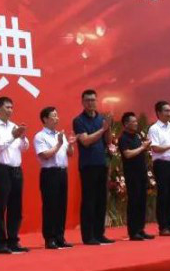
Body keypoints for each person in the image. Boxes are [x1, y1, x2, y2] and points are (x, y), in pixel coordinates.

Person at [0, 96, 30, 254]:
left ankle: (13, 241)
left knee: (16, 208)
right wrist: (13, 136)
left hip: (16, 169)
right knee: (0, 207)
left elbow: (24, 148)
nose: (10, 110)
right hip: (2, 170)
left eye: (12, 107)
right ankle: (0, 243)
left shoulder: (14, 126)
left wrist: (22, 137)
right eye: (7, 107)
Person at [73, 89, 114, 245]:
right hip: (88, 165)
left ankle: (99, 233)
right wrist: (103, 129)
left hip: (101, 163)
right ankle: (88, 236)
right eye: (87, 100)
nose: (91, 103)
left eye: (93, 100)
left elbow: (108, 141)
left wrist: (108, 127)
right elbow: (85, 141)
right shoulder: (79, 121)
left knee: (101, 200)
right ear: (83, 102)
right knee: (89, 200)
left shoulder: (101, 119)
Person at [33, 106, 74, 249]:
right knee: (50, 206)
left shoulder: (60, 135)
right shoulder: (40, 136)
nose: (57, 118)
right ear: (45, 119)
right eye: (54, 116)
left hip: (62, 172)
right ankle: (49, 238)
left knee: (62, 206)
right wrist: (59, 144)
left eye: (57, 115)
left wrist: (70, 144)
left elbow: (70, 153)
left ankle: (60, 237)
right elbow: (45, 155)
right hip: (49, 174)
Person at [148, 100, 170, 237]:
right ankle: (163, 227)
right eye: (166, 110)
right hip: (161, 164)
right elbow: (155, 148)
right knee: (163, 195)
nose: (169, 113)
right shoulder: (154, 129)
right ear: (158, 112)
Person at [118, 112, 154, 241]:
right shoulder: (123, 138)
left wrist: (144, 147)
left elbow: (140, 151)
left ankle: (141, 229)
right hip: (132, 174)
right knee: (134, 202)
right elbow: (127, 154)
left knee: (141, 201)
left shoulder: (137, 136)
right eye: (133, 121)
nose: (136, 123)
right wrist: (142, 147)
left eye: (136, 121)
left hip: (141, 173)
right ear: (126, 124)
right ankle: (133, 231)